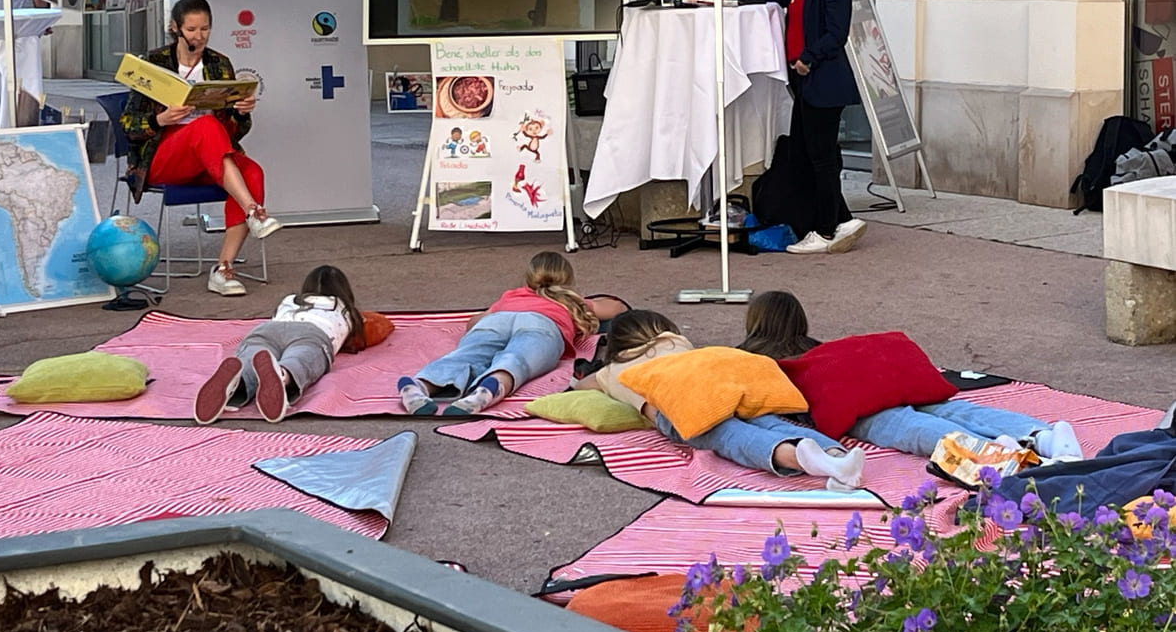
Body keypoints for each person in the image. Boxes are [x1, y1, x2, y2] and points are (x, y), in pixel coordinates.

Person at [739, 290, 1083, 461]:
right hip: (883, 380)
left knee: (903, 426)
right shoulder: (814, 346)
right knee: (952, 410)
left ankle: (988, 453)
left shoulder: (751, 356)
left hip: (847, 404)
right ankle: (1043, 434)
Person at [708, 0, 864, 255]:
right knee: (810, 153)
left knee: (820, 156)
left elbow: (836, 32)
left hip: (823, 80)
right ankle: (840, 219)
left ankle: (825, 231)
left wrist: (808, 57)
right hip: (806, 81)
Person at [577, 309, 866, 487]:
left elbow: (582, 385)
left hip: (679, 408)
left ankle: (795, 458)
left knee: (730, 436)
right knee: (765, 420)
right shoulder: (677, 343)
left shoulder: (612, 371)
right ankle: (835, 454)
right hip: (721, 387)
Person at [120, 0, 282, 297]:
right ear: (175, 28)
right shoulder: (153, 62)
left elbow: (236, 132)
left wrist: (239, 112)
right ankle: (253, 210)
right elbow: (127, 124)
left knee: (254, 172)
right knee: (205, 126)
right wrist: (162, 119)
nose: (199, 36)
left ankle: (223, 269)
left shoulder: (219, 64)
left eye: (205, 29)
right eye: (192, 30)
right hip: (161, 154)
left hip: (209, 155)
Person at [397, 251, 625, 417]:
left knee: (467, 354)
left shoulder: (511, 295)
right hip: (542, 324)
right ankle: (491, 387)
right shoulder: (568, 300)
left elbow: (473, 322)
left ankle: (421, 385)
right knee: (519, 358)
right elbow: (616, 308)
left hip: (498, 319)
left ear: (528, 279)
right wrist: (585, 301)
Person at [194, 265, 365, 424]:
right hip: (312, 332)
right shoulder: (345, 309)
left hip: (268, 329)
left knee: (253, 354)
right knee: (300, 359)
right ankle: (283, 374)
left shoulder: (290, 300)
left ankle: (239, 379)